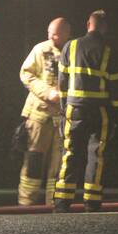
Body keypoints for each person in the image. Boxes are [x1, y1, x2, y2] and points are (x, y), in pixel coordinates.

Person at [53, 10, 118, 212]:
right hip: (100, 111)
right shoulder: (110, 50)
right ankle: (92, 202)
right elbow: (116, 86)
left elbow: (63, 81)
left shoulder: (71, 45)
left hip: (74, 108)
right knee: (97, 153)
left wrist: (64, 106)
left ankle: (61, 202)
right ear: (104, 27)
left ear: (88, 24)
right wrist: (116, 113)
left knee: (70, 152)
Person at [17, 17, 71, 205]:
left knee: (58, 164)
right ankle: (26, 203)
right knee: (33, 160)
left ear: (66, 33)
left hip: (61, 117)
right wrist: (47, 92)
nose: (51, 36)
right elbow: (26, 74)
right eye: (49, 32)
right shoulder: (41, 50)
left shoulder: (71, 51)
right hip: (38, 116)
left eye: (55, 33)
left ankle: (53, 202)